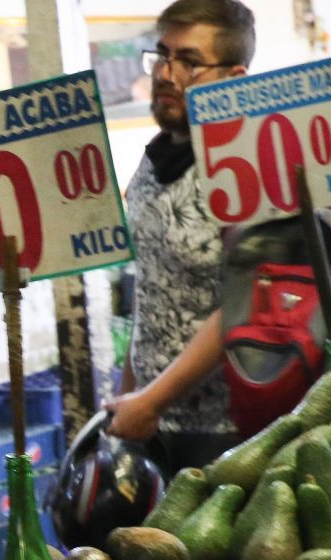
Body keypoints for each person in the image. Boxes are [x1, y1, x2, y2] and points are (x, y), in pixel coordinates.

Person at [103, 0, 256, 469]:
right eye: (162, 56)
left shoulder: (249, 170)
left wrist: (152, 399)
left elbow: (242, 302)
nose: (166, 74)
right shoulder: (151, 162)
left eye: (188, 62)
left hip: (226, 436)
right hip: (152, 427)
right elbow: (153, 291)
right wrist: (130, 398)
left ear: (234, 78)